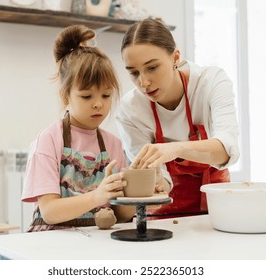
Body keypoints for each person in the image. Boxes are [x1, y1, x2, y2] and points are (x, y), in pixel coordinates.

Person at [115, 18, 240, 218]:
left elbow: (227, 150)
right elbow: (158, 180)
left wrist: (175, 148)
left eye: (152, 67)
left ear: (175, 57)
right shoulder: (130, 110)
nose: (144, 82)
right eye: (134, 73)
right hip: (165, 213)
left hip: (219, 207)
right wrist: (157, 182)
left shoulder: (211, 83)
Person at [21, 25, 135, 231]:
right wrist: (97, 196)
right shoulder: (49, 140)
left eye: (106, 95)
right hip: (52, 243)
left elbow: (121, 215)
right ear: (66, 96)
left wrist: (136, 194)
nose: (98, 104)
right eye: (87, 96)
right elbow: (50, 212)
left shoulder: (113, 145)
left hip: (95, 243)